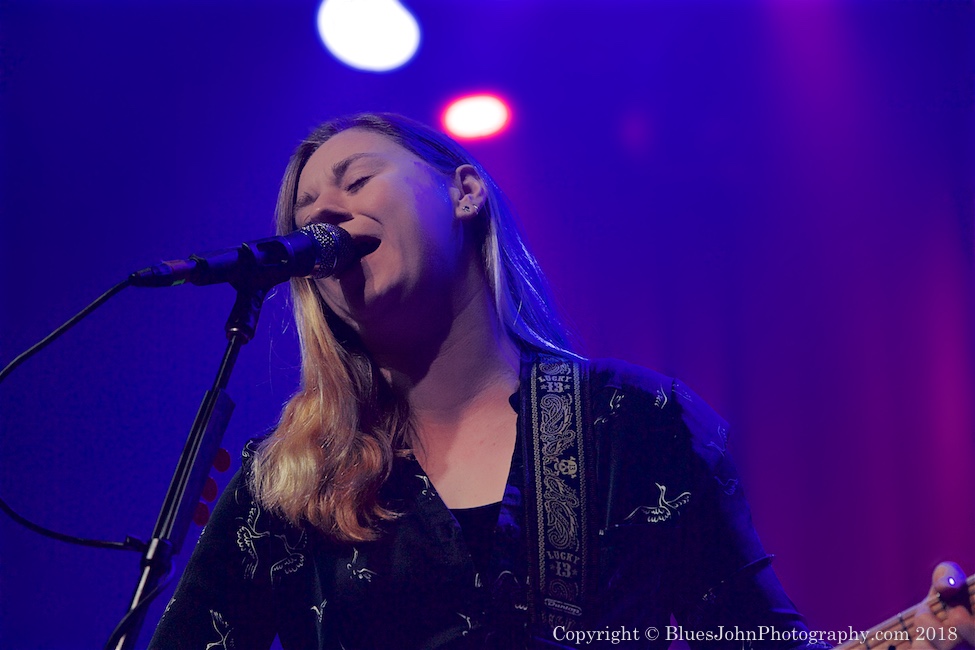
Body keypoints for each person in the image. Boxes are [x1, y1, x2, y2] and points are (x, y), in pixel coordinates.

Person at [148, 113, 973, 649]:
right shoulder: (286, 480)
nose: (322, 213)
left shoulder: (636, 422)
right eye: (303, 216)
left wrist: (926, 637)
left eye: (355, 180)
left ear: (464, 191)